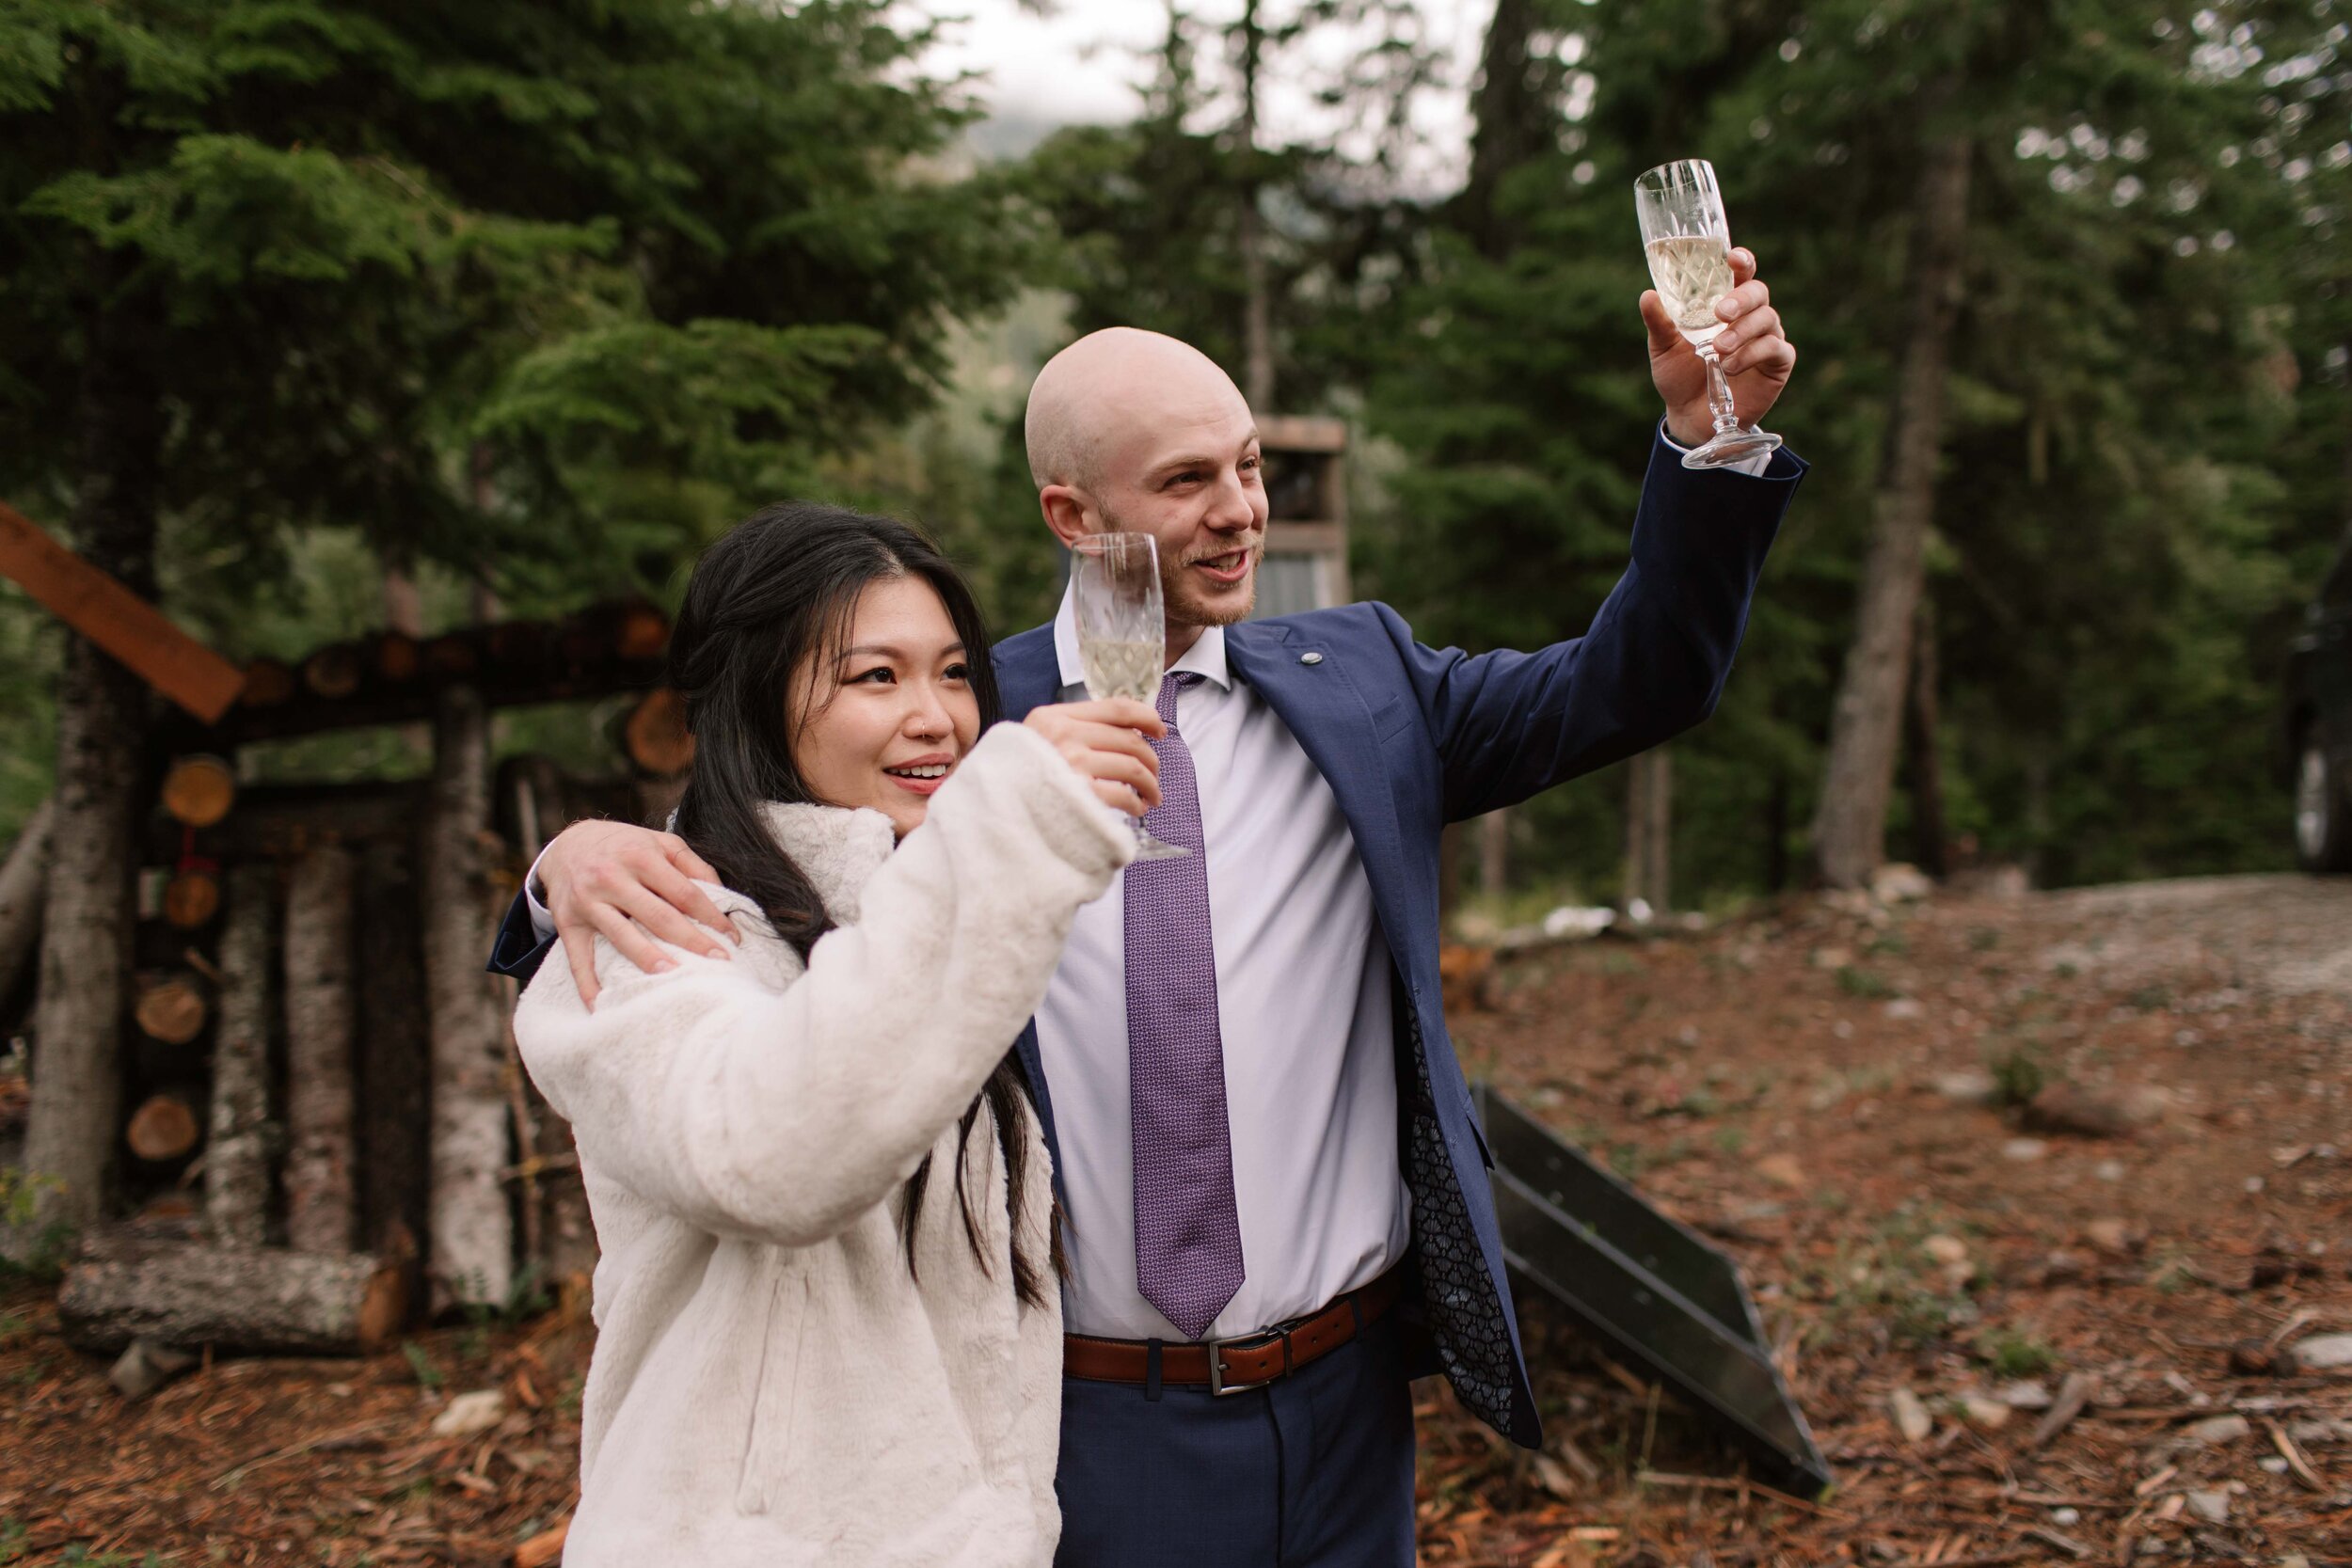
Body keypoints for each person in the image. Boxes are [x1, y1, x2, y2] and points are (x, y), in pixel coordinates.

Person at [492, 257, 1804, 1566]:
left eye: (1248, 467)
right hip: (1075, 1416)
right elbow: (770, 850)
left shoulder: (1367, 686)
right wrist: (570, 863)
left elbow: (1640, 682)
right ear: (1072, 510)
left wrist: (1711, 442)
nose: (1241, 513)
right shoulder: (962, 723)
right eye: (1187, 482)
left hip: (1350, 1399)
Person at [510, 502, 1171, 1566]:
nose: (938, 718)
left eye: (954, 673)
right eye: (876, 677)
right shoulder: (648, 932)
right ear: (757, 698)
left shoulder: (930, 920)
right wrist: (1010, 828)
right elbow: (768, 1154)